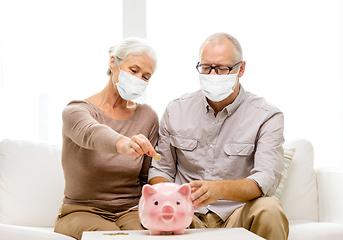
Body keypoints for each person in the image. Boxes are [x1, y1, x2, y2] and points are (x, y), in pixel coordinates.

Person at [149, 32, 289, 240]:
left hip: (238, 212)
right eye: (206, 68)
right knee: (154, 214)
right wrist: (173, 199)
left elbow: (265, 178)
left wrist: (220, 189)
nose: (212, 76)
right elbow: (161, 170)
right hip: (186, 215)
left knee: (270, 208)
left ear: (240, 69)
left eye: (222, 69)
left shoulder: (267, 115)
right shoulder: (176, 110)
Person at [54, 37, 159, 240]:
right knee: (109, 237)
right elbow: (91, 133)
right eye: (133, 70)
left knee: (147, 236)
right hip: (81, 211)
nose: (138, 79)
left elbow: (146, 177)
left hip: (131, 211)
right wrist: (123, 143)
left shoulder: (148, 117)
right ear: (114, 62)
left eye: (146, 76)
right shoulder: (76, 110)